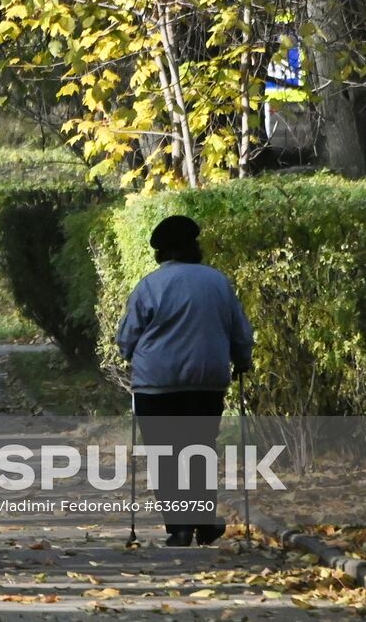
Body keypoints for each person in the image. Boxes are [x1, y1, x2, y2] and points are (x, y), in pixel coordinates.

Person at [115, 214, 253, 547]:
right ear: (195, 247)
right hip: (205, 380)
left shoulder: (150, 285)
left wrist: (130, 354)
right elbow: (239, 330)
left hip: (156, 382)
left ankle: (179, 528)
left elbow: (126, 338)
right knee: (200, 450)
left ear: (160, 253)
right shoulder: (218, 282)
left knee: (164, 455)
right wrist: (242, 361)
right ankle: (204, 523)